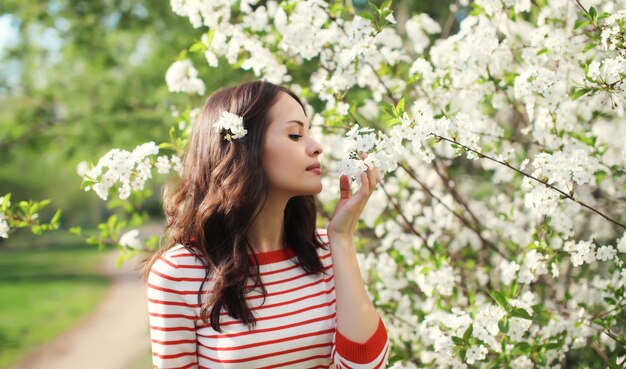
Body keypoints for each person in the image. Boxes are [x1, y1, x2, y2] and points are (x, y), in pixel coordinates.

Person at [144, 80, 390, 368]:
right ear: (243, 148)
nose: (316, 147)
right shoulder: (179, 273)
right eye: (296, 135)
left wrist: (342, 238)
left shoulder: (326, 253)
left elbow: (366, 365)